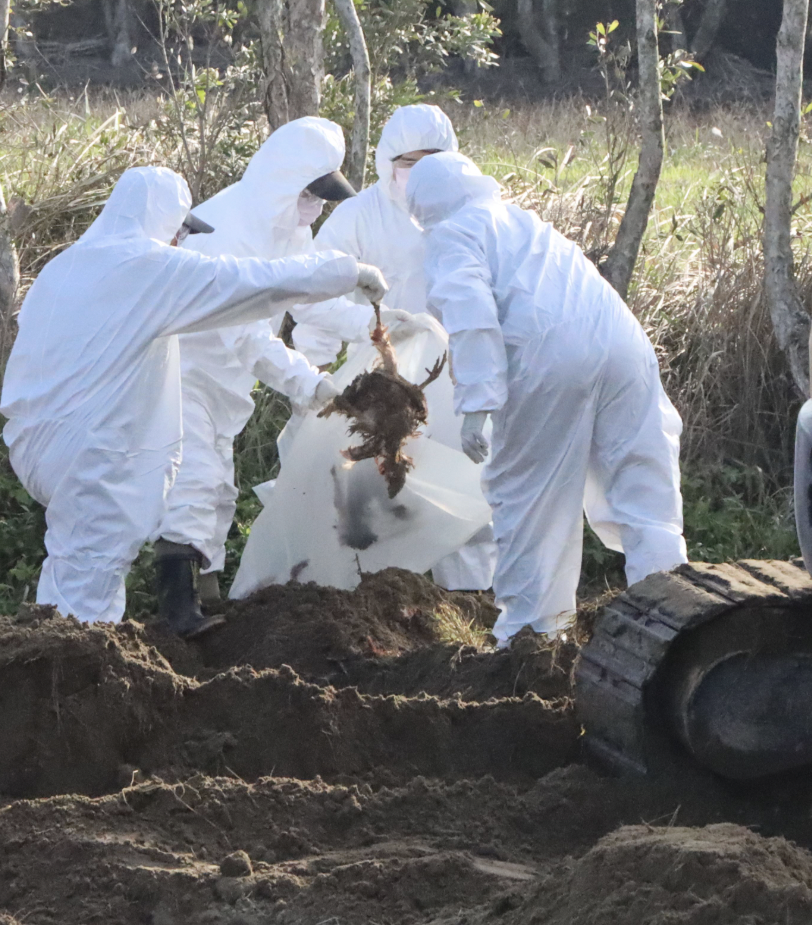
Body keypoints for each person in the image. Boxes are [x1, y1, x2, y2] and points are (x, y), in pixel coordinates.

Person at [0, 166, 387, 631]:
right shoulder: (149, 268)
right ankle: (69, 682)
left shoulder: (65, 265)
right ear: (162, 221)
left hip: (37, 442)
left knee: (72, 566)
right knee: (90, 588)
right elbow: (256, 283)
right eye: (180, 230)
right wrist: (350, 272)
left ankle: (44, 650)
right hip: (96, 451)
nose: (182, 242)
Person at [408, 152, 685, 646]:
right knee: (643, 493)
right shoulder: (520, 221)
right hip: (622, 341)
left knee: (530, 498)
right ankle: (671, 621)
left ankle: (530, 642)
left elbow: (471, 315)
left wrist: (477, 403)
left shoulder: (451, 234)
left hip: (549, 358)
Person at [158, 117, 395, 626]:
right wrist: (311, 384)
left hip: (226, 386)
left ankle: (206, 602)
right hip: (187, 377)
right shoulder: (223, 229)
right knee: (194, 486)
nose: (315, 206)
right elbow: (244, 336)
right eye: (310, 193)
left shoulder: (291, 229)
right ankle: (176, 613)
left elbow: (306, 300)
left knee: (219, 491)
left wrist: (376, 325)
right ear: (284, 180)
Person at [310, 102, 496, 591]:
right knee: (373, 490)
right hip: (379, 377)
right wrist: (323, 359)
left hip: (452, 375)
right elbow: (314, 294)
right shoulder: (355, 217)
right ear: (386, 162)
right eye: (406, 162)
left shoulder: (469, 215)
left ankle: (468, 603)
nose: (415, 174)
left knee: (463, 495)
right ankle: (376, 602)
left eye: (430, 160)